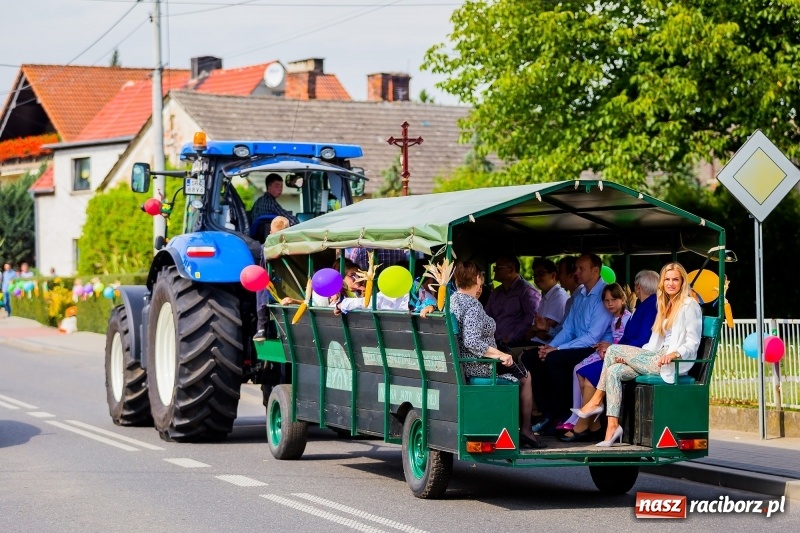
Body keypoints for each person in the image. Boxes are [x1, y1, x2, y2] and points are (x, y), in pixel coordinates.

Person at [572, 262, 702, 447]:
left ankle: (595, 401)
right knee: (615, 370)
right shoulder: (664, 304)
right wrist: (631, 355)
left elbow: (692, 341)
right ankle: (612, 427)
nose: (671, 283)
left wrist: (675, 354)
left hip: (671, 362)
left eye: (675, 279)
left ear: (682, 282)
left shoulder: (689, 305)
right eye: (667, 279)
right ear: (662, 283)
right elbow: (653, 343)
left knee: (613, 349)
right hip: (655, 356)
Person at [450, 260, 545, 449]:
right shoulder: (472, 306)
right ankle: (526, 430)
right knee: (525, 376)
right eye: (481, 277)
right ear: (477, 279)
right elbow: (472, 341)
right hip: (479, 365)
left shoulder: (452, 300)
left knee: (520, 369)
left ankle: (524, 429)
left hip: (465, 362)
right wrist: (500, 355)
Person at [560, 271, 660, 438]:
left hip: (633, 356)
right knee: (585, 371)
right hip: (625, 352)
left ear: (638, 287)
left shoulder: (650, 305)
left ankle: (583, 425)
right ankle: (594, 426)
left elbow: (643, 339)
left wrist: (619, 351)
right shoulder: (645, 305)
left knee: (592, 374)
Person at [521, 254, 613, 433]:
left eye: (581, 269)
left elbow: (592, 338)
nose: (576, 272)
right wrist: (548, 347)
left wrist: (556, 349)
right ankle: (548, 413)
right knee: (531, 357)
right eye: (576, 269)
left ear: (595, 270)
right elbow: (568, 329)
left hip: (596, 349)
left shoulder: (604, 294)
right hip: (578, 345)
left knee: (555, 359)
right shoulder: (580, 295)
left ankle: (564, 414)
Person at [558, 283, 631, 441]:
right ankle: (587, 420)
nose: (609, 303)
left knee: (585, 373)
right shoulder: (613, 318)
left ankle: (582, 418)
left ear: (623, 300)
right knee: (579, 369)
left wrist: (609, 347)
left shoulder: (626, 318)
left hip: (617, 355)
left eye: (613, 299)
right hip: (609, 352)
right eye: (606, 300)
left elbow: (625, 343)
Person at [483, 255, 541, 346]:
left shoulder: (527, 291)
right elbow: (486, 316)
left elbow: (531, 318)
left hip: (516, 344)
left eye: (498, 267)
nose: (494, 270)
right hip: (494, 343)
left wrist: (510, 337)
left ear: (510, 270)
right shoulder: (496, 293)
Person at [254, 216, 291, 341]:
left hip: (274, 288)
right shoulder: (296, 245)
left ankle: (261, 327)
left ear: (270, 234)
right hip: (292, 286)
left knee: (261, 284)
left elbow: (263, 267)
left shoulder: (265, 247)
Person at [526, 258, 569, 342]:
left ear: (553, 275)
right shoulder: (546, 297)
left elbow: (544, 334)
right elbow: (531, 332)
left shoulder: (559, 297)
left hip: (546, 347)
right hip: (535, 344)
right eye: (535, 275)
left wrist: (534, 330)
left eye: (541, 274)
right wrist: (534, 330)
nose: (537, 278)